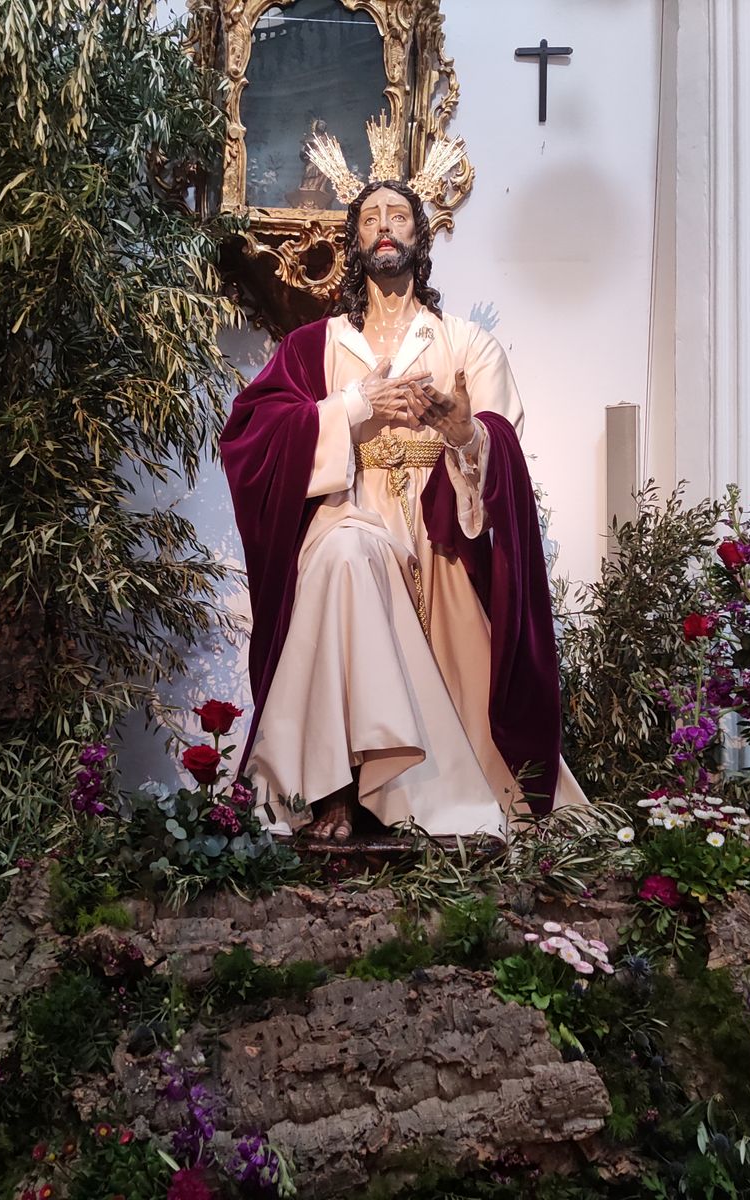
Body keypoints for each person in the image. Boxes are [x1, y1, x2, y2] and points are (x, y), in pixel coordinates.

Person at [220, 125, 586, 842]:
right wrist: (355, 410)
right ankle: (330, 789)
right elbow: (252, 439)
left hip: (438, 529)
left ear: (421, 236)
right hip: (349, 514)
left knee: (401, 586)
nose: (383, 228)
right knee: (346, 553)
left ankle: (423, 793)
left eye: (397, 216)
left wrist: (460, 430)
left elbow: (499, 448)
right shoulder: (314, 345)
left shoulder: (466, 344)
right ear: (354, 244)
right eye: (368, 218)